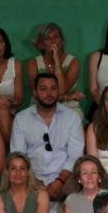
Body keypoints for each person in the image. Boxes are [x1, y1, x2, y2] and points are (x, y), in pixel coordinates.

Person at [11, 73, 85, 205]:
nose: (49, 93)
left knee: (78, 190)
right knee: (15, 189)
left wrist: (60, 181)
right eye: (43, 89)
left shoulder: (72, 117)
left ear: (58, 91)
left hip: (65, 177)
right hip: (31, 177)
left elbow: (75, 155)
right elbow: (18, 157)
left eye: (53, 88)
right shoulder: (21, 119)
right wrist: (35, 182)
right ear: (34, 92)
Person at [28, 23, 85, 118]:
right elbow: (38, 93)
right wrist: (68, 97)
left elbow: (61, 90)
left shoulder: (73, 62)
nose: (52, 41)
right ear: (42, 44)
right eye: (47, 38)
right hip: (40, 105)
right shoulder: (33, 63)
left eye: (56, 37)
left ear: (62, 41)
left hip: (68, 106)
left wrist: (57, 62)